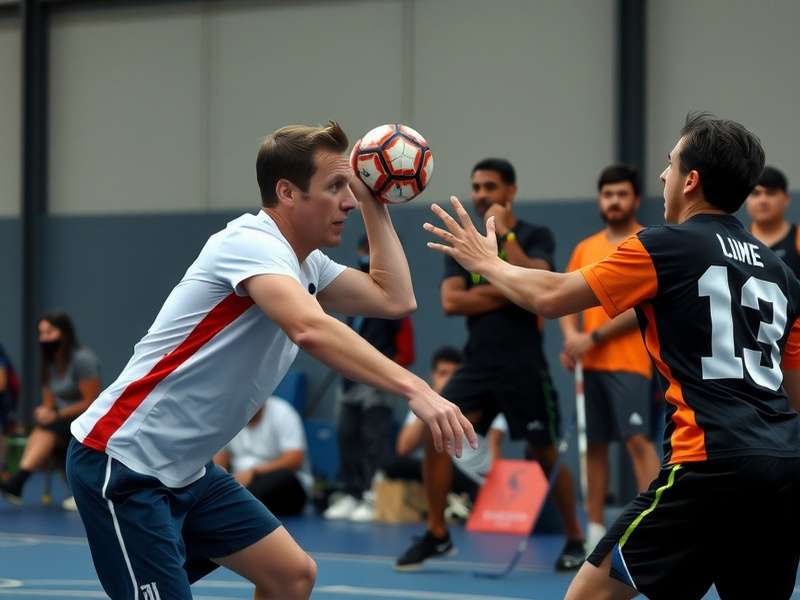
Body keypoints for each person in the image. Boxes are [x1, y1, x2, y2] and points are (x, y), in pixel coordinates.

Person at [65, 122, 475, 600]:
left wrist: (374, 201)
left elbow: (396, 298)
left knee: (290, 576)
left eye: (350, 187)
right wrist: (418, 390)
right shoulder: (249, 243)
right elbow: (309, 327)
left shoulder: (308, 263)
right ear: (286, 191)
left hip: (188, 473)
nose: (347, 200)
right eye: (335, 187)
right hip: (125, 464)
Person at [425, 113, 800, 600]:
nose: (662, 177)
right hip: (782, 465)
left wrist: (485, 263)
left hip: (708, 460)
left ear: (690, 181)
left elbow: (553, 296)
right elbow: (793, 393)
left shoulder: (665, 245)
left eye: (670, 165)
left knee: (588, 595)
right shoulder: (782, 273)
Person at [396, 158, 585, 572]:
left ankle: (575, 537)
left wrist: (506, 242)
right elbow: (452, 301)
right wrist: (514, 286)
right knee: (436, 431)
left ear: (510, 192)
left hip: (524, 364)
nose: (482, 195)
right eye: (477, 187)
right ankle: (437, 534)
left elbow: (544, 284)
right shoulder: (463, 242)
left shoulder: (536, 234)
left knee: (544, 452)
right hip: (478, 362)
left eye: (491, 187)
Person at [560, 165, 660, 551]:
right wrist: (572, 339)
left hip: (631, 362)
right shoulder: (585, 248)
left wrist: (594, 336)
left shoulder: (646, 242)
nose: (613, 201)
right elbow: (567, 296)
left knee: (637, 440)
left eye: (621, 194)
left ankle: (651, 526)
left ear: (635, 199)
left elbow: (643, 308)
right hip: (591, 366)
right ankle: (596, 529)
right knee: (595, 446)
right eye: (607, 194)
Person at [324, 235, 415, 522]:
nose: (364, 258)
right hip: (349, 379)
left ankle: (375, 494)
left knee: (375, 436)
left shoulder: (392, 303)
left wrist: (387, 373)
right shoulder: (354, 296)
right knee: (347, 434)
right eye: (362, 252)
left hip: (377, 381)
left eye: (369, 253)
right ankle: (353, 493)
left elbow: (406, 349)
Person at [0, 312, 100, 507]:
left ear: (64, 333)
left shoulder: (83, 359)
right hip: (60, 422)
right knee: (44, 426)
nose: (44, 338)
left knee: (49, 428)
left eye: (49, 332)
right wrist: (45, 412)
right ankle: (18, 482)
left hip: (85, 420)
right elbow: (48, 401)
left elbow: (91, 401)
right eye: (41, 333)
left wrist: (55, 414)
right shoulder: (49, 362)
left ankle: (18, 481)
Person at [386, 346, 505, 501]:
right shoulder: (421, 402)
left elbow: (494, 446)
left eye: (453, 375)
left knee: (441, 466)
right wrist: (433, 400)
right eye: (443, 373)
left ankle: (464, 499)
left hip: (473, 476)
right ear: (433, 376)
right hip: (438, 467)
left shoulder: (484, 401)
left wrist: (495, 489)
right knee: (393, 466)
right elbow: (403, 447)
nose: (448, 380)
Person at [746, 166, 800, 410]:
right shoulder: (735, 244)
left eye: (770, 193)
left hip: (794, 346)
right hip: (750, 348)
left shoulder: (797, 239)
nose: (763, 200)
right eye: (756, 193)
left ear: (786, 198)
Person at [214, 396, 312, 516]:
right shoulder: (229, 417)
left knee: (282, 476)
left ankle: (231, 505)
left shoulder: (283, 413)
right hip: (242, 483)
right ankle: (233, 504)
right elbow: (219, 461)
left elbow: (294, 459)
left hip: (283, 487)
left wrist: (254, 472)